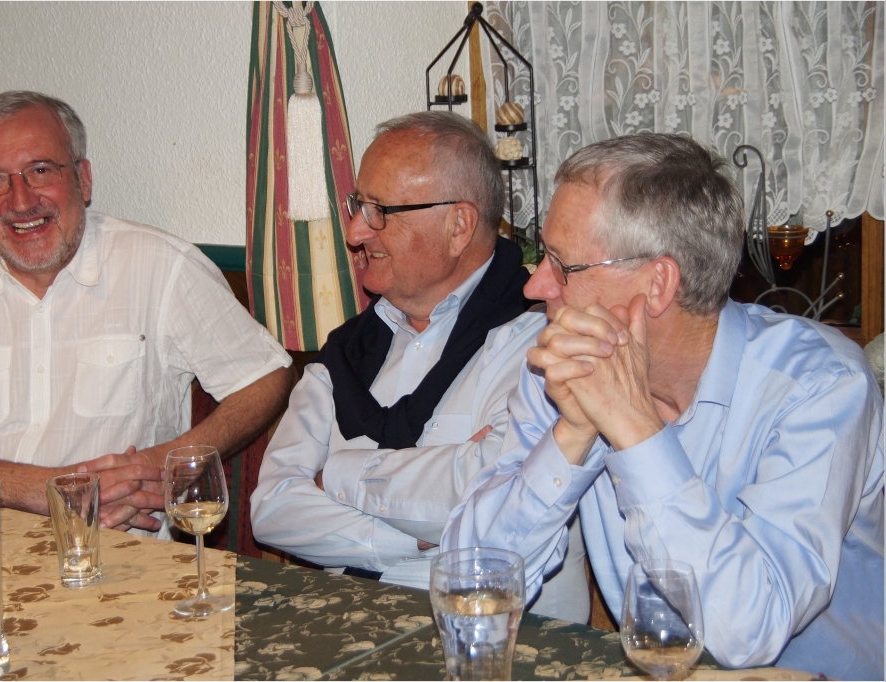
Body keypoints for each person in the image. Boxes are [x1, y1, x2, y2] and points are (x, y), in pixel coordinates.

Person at [442, 133, 884, 679]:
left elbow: (749, 629)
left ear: (657, 284)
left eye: (562, 264)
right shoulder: (569, 366)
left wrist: (634, 428)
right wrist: (571, 436)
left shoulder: (818, 385)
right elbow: (471, 580)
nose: (535, 287)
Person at [0, 91, 295, 532]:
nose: (20, 200)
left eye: (41, 170)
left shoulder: (160, 267)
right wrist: (40, 490)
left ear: (83, 180)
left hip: (117, 548)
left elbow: (266, 377)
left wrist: (161, 466)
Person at [251, 111, 589, 622]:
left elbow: (504, 499)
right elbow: (272, 509)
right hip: (346, 629)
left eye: (379, 211)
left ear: (458, 226)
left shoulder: (542, 343)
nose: (355, 232)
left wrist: (335, 475)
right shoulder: (347, 352)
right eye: (357, 206)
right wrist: (414, 538)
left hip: (503, 641)